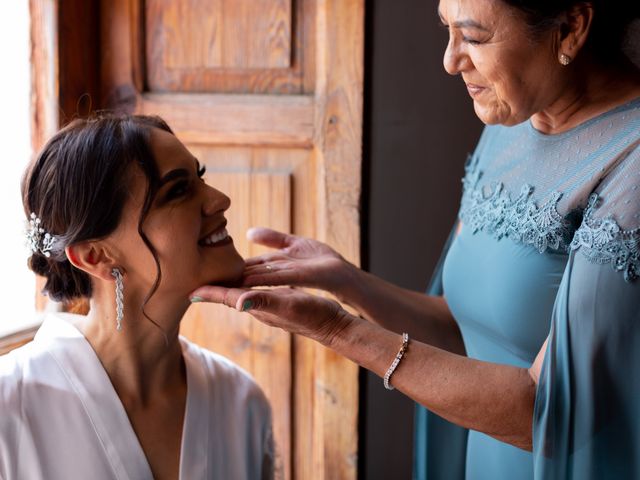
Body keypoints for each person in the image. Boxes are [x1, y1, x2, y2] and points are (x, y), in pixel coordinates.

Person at [189, 0, 640, 479]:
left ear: (571, 27)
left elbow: (547, 409)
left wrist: (338, 330)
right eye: (446, 30)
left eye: (474, 37)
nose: (449, 60)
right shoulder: (512, 117)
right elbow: (461, 330)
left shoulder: (630, 162)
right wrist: (345, 281)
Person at [0, 115, 274, 480]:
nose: (220, 200)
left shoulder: (241, 403)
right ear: (95, 256)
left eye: (201, 178)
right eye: (177, 191)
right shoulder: (9, 408)